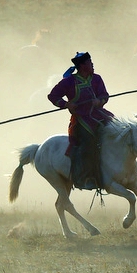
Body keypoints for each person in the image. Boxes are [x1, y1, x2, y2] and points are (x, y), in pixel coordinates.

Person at [47, 52, 114, 190]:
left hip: (100, 114)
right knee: (89, 143)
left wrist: (99, 101)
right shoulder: (68, 82)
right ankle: (87, 177)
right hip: (81, 119)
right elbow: (53, 96)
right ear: (82, 65)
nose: (92, 65)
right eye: (90, 62)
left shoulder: (96, 79)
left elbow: (104, 95)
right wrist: (66, 104)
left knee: (119, 131)